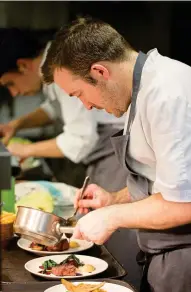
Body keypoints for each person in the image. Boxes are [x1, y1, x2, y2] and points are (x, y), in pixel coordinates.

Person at [42, 16, 191, 292]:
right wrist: (113, 199)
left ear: (99, 71)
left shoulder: (170, 94)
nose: (86, 107)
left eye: (79, 95)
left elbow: (187, 205)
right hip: (171, 253)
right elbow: (164, 181)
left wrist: (110, 218)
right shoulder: (140, 91)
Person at [0, 28, 127, 190]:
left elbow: (81, 139)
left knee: (107, 212)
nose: (14, 93)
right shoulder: (53, 60)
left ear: (23, 65)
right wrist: (16, 125)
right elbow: (55, 109)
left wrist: (25, 150)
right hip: (103, 148)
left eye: (10, 84)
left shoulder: (61, 68)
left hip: (116, 149)